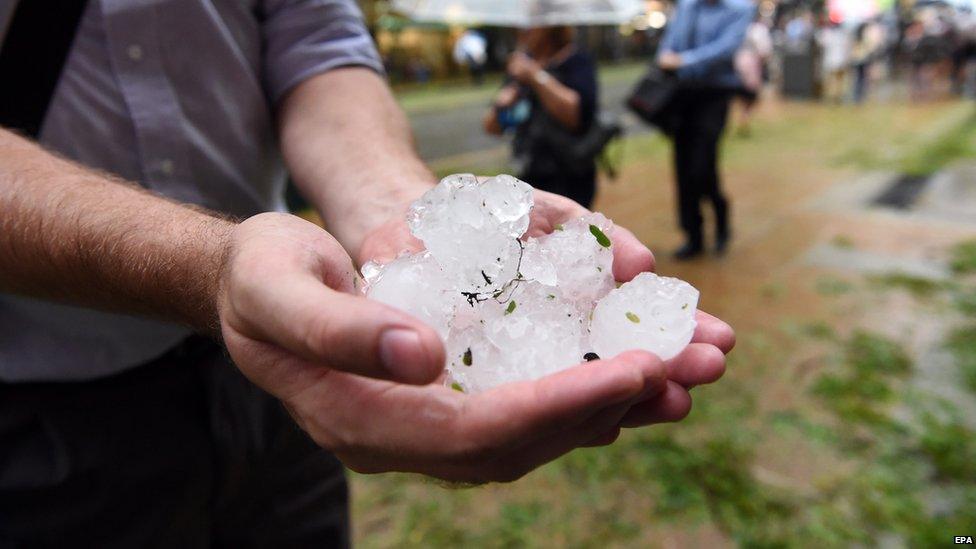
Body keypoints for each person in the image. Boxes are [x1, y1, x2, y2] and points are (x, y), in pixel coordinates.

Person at [0, 1, 735, 546]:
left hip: (296, 359)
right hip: (42, 416)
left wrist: (409, 212)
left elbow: (317, 46)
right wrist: (211, 266)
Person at [656, 0, 754, 259]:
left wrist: (683, 60)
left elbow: (725, 49)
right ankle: (693, 234)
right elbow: (670, 41)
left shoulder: (739, 9)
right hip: (682, 96)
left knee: (702, 166)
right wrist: (666, 55)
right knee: (682, 166)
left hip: (714, 96)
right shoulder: (687, 6)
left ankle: (720, 216)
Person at [482, 26, 599, 208]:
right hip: (530, 171)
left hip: (570, 174)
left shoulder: (575, 60)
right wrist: (502, 104)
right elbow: (491, 127)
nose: (523, 32)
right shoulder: (519, 67)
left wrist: (535, 75)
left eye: (530, 27)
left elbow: (575, 115)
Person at [733, 17, 773, 136]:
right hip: (751, 65)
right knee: (750, 96)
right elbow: (764, 51)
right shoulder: (759, 29)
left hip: (736, 63)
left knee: (740, 96)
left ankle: (741, 119)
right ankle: (744, 118)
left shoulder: (737, 26)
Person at [819, 21, 852, 103]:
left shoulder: (828, 33)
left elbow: (822, 44)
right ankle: (835, 96)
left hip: (834, 60)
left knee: (833, 80)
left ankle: (835, 96)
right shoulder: (842, 35)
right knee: (836, 80)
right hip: (836, 60)